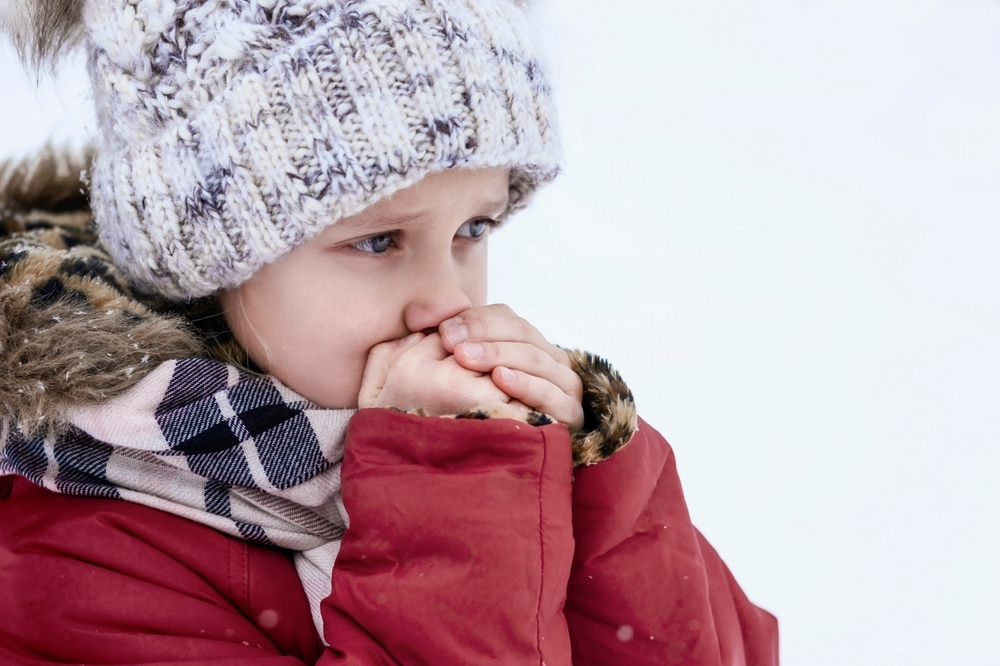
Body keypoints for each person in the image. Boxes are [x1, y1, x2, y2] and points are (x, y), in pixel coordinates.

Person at [0, 0, 778, 663]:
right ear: (213, 266)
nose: (444, 301)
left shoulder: (484, 439)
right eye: (377, 242)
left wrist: (593, 483)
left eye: (473, 229)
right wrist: (446, 494)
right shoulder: (75, 562)